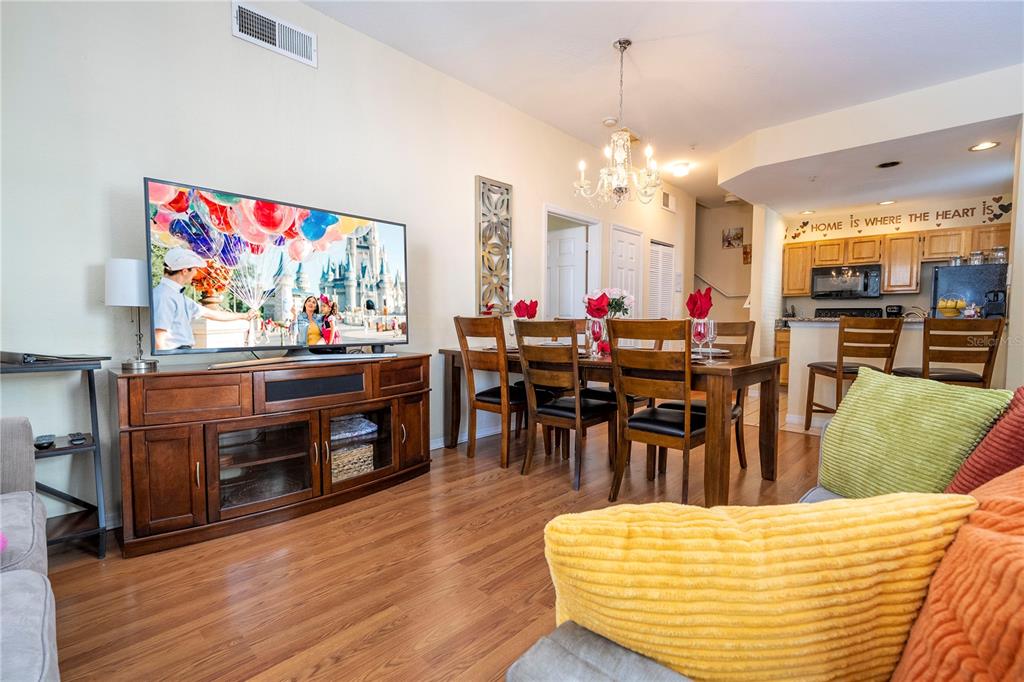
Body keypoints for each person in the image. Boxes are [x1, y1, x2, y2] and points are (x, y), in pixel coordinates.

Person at [152, 247, 256, 350]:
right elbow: (158, 338)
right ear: (184, 271)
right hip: (175, 354)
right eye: (195, 269)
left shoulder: (175, 295)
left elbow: (213, 314)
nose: (195, 273)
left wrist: (245, 315)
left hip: (181, 353)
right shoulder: (164, 296)